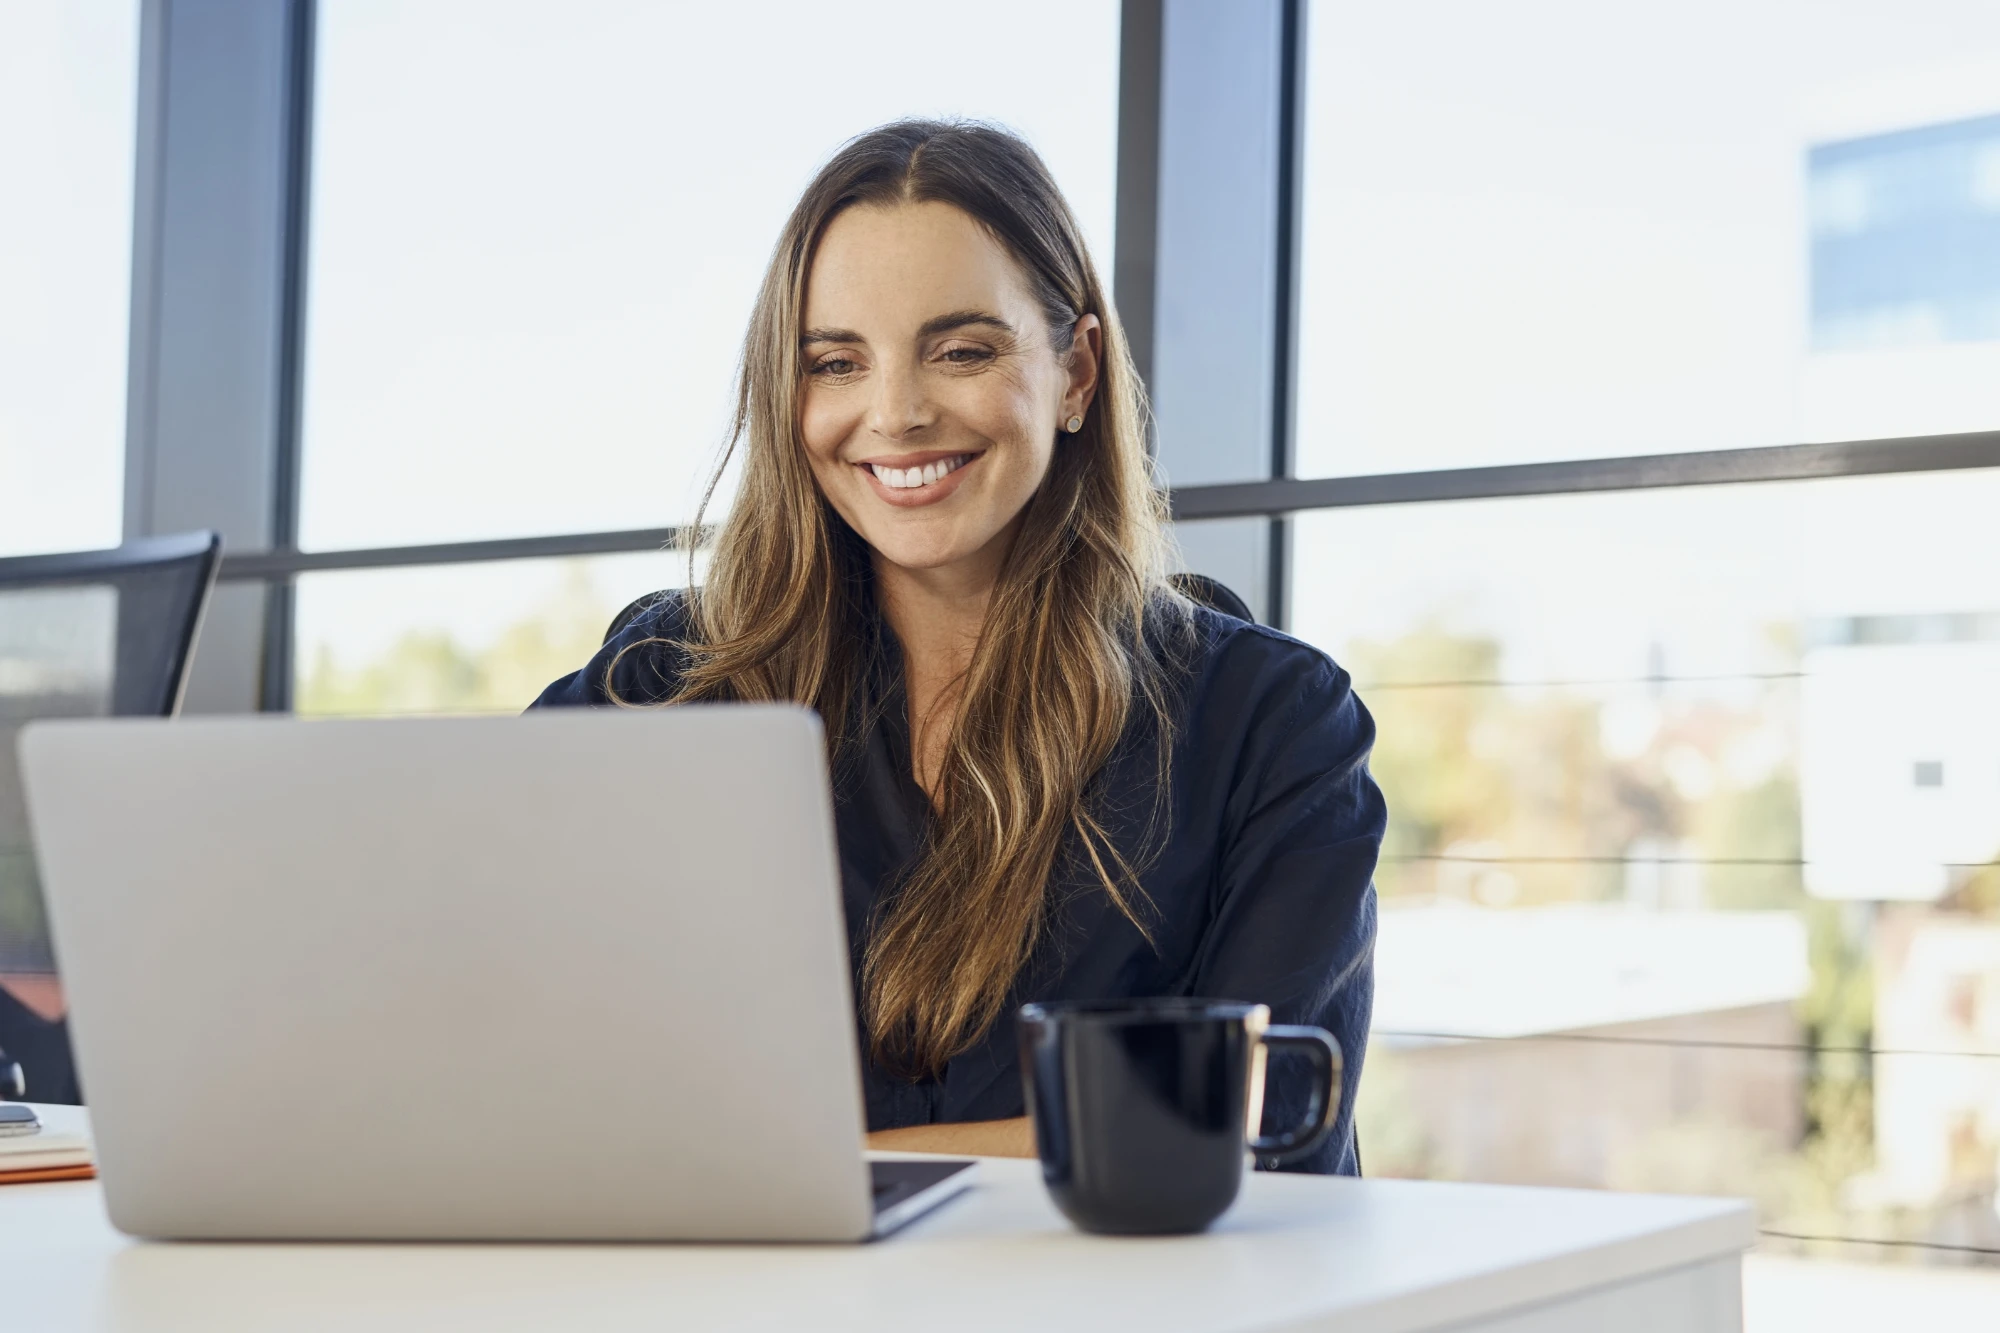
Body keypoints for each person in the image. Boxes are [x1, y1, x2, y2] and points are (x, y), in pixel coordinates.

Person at [533, 119, 1384, 1174]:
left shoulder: (1266, 722)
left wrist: (767, 1162)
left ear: (1076, 372)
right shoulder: (662, 688)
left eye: (962, 350)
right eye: (834, 363)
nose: (892, 413)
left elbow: (1251, 1135)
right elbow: (488, 1042)